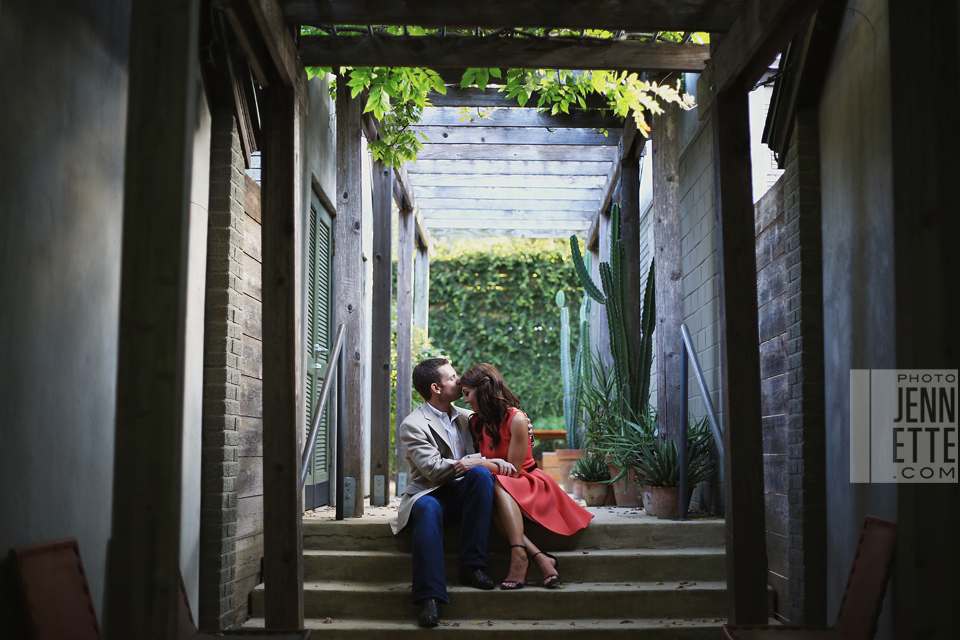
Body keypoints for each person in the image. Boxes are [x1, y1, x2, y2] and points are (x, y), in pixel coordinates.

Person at [389, 358, 518, 627]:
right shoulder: (413, 424)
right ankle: (429, 597)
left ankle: (472, 566)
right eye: (452, 377)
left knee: (481, 474)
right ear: (436, 388)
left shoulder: (468, 416)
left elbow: (503, 427)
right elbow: (434, 471)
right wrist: (472, 461)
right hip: (430, 492)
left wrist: (523, 426)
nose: (459, 381)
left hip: (466, 494)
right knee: (426, 508)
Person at [460, 362, 593, 590]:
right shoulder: (475, 422)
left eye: (467, 393)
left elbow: (513, 469)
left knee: (495, 485)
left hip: (527, 482)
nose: (464, 400)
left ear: (482, 389)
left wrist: (480, 462)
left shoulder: (517, 419)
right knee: (490, 492)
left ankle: (519, 556)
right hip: (500, 484)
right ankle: (539, 558)